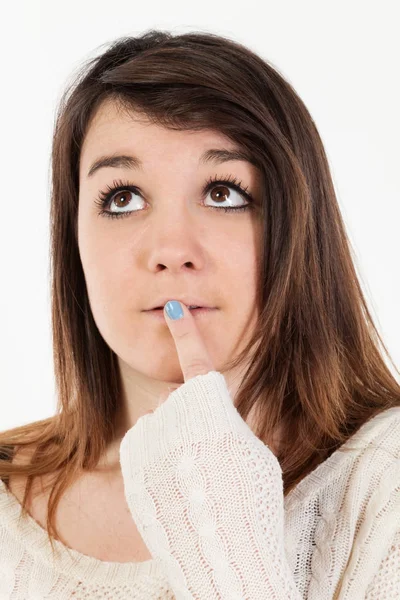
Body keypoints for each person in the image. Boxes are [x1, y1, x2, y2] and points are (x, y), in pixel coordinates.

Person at [0, 28, 399, 599]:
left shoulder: (385, 482)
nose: (171, 249)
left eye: (222, 193)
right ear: (74, 242)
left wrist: (225, 549)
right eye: (123, 197)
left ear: (296, 230)